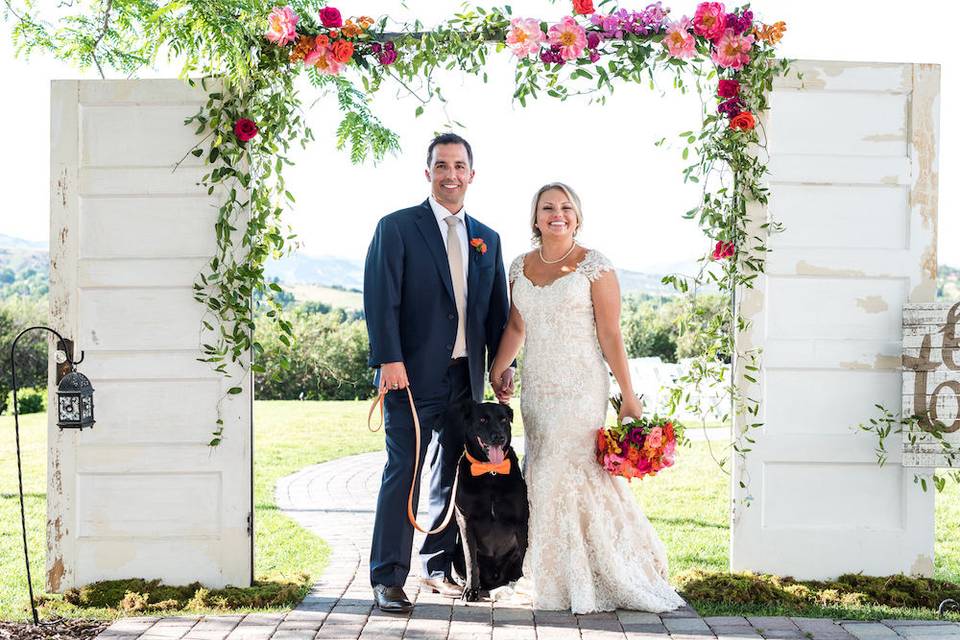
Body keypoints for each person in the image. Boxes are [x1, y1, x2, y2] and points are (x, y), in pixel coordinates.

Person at [490, 182, 685, 614]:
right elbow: (517, 328)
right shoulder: (519, 267)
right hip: (537, 389)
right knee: (541, 472)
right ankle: (551, 572)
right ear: (535, 218)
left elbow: (610, 334)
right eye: (547, 208)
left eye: (565, 208)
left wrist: (628, 396)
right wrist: (498, 368)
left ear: (577, 217)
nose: (556, 214)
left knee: (572, 469)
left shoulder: (594, 267)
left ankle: (601, 570)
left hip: (581, 387)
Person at [363, 133, 513, 613]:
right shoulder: (398, 227)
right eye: (441, 165)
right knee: (403, 472)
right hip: (408, 378)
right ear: (427, 172)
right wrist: (389, 360)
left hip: (465, 382)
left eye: (459, 165)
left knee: (452, 474)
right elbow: (379, 297)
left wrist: (501, 369)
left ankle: (436, 567)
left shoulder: (487, 239)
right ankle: (388, 578)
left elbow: (495, 313)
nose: (451, 174)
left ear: (472, 173)